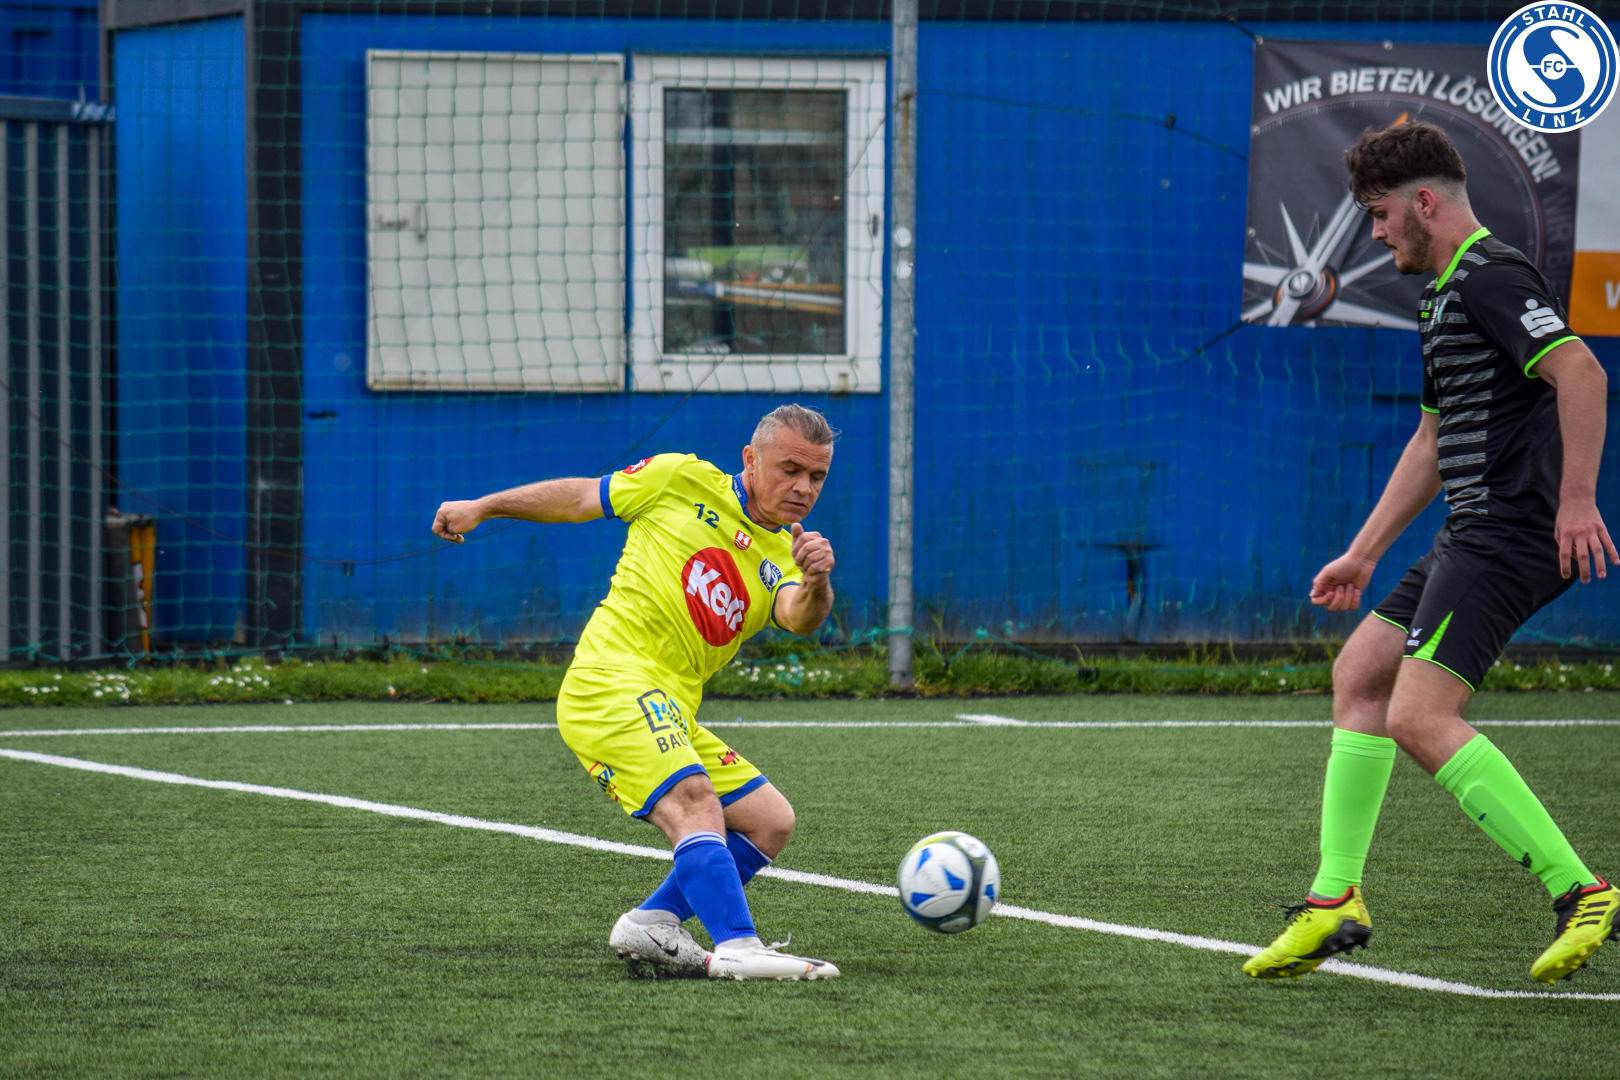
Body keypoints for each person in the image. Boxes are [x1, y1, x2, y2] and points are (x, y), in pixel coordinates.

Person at [1244, 122, 1619, 984]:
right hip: (1471, 532)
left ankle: (1582, 890)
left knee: (1418, 717)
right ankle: (1335, 899)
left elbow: (1582, 374)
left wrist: (1575, 501)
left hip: (1511, 534)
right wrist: (1363, 554)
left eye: (1380, 215)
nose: (1376, 235)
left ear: (1423, 203)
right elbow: (1430, 442)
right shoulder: (1442, 298)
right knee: (1360, 675)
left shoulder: (1491, 276)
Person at [432, 404, 842, 981]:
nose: (803, 487)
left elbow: (799, 617)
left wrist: (818, 580)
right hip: (610, 682)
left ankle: (654, 921)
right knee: (696, 801)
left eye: (817, 476)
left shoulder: (787, 554)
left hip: (670, 707)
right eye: (790, 469)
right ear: (750, 459)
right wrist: (484, 506)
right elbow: (581, 496)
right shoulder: (680, 478)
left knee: (769, 819)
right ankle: (738, 945)